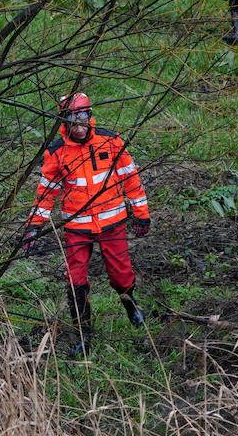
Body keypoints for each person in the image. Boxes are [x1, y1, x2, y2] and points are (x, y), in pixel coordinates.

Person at [20, 93, 150, 356]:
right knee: (75, 281)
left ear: (90, 116)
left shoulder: (111, 141)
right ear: (64, 122)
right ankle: (84, 334)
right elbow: (46, 193)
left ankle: (130, 304)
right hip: (77, 227)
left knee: (121, 274)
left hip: (112, 222)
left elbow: (131, 179)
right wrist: (33, 226)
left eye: (82, 118)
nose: (78, 127)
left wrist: (141, 213)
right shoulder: (57, 152)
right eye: (71, 120)